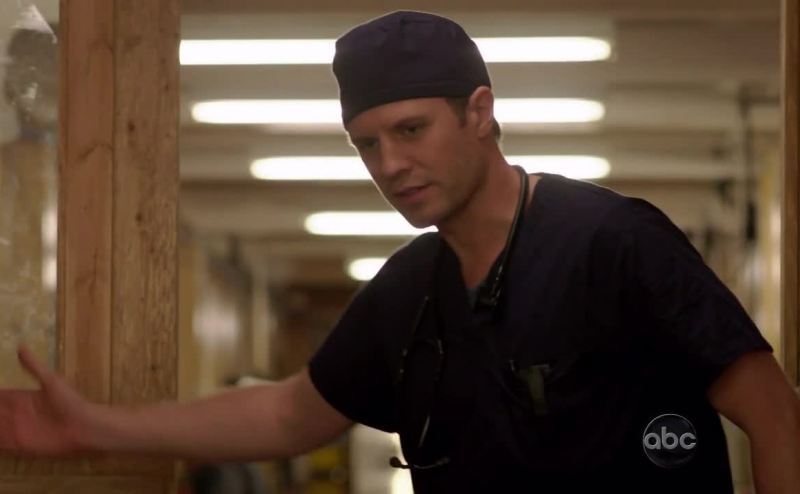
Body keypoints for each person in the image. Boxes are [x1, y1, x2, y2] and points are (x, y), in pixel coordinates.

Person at [0, 10, 798, 494]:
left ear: (479, 113)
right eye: (367, 143)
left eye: (411, 130)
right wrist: (94, 428)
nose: (390, 164)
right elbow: (288, 413)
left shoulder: (612, 242)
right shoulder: (408, 291)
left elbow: (772, 412)